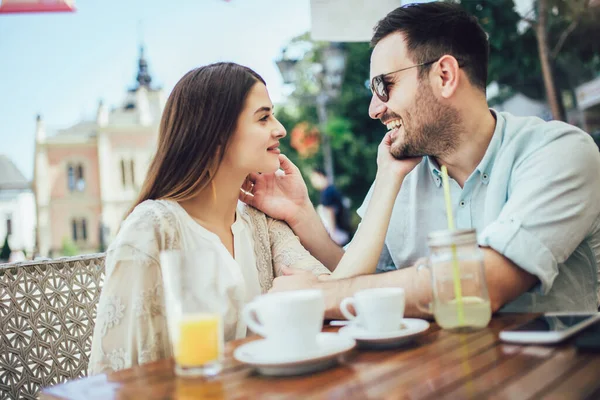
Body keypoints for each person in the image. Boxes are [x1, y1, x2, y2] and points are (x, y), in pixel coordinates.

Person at [241, 3, 600, 318]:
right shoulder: (405, 176)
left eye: (384, 86)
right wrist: (303, 214)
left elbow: (486, 281)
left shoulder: (560, 153)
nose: (374, 109)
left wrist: (321, 297)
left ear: (444, 76)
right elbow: (364, 278)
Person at [89, 62, 406, 374]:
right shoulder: (151, 231)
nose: (280, 128)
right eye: (264, 117)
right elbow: (120, 380)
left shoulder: (261, 223)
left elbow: (342, 287)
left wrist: (384, 177)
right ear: (216, 133)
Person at [309, 166, 352, 246]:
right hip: (343, 233)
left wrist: (332, 236)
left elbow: (330, 212)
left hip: (338, 235)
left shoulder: (327, 192)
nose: (313, 181)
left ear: (320, 175)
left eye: (314, 178)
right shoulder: (331, 189)